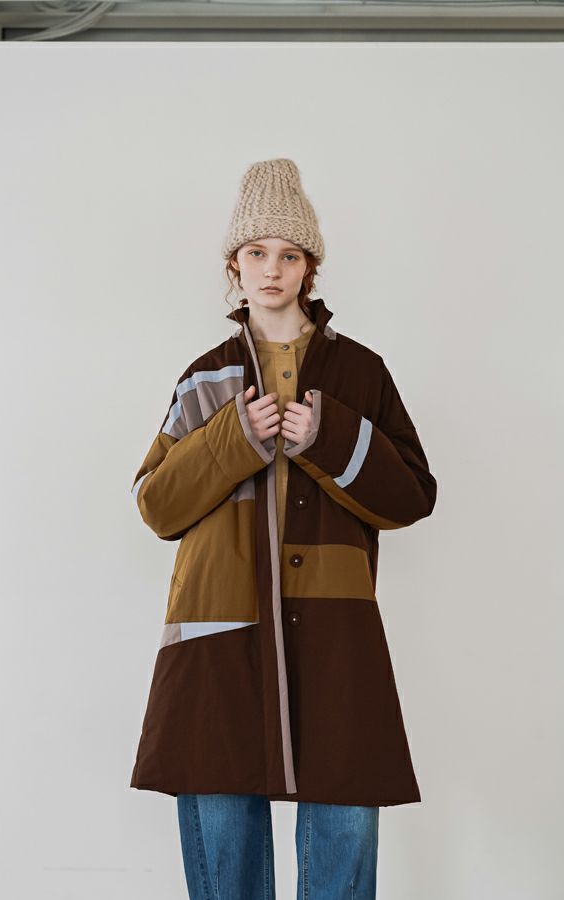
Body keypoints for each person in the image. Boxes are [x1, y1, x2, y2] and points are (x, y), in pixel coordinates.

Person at [129, 158, 437, 899]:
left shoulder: (361, 373)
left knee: (343, 835)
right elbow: (156, 504)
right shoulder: (205, 378)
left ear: (309, 267)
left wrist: (331, 439)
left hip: (335, 634)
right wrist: (231, 438)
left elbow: (411, 497)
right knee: (225, 846)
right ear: (233, 265)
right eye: (257, 252)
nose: (272, 269)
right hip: (218, 633)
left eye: (290, 254)